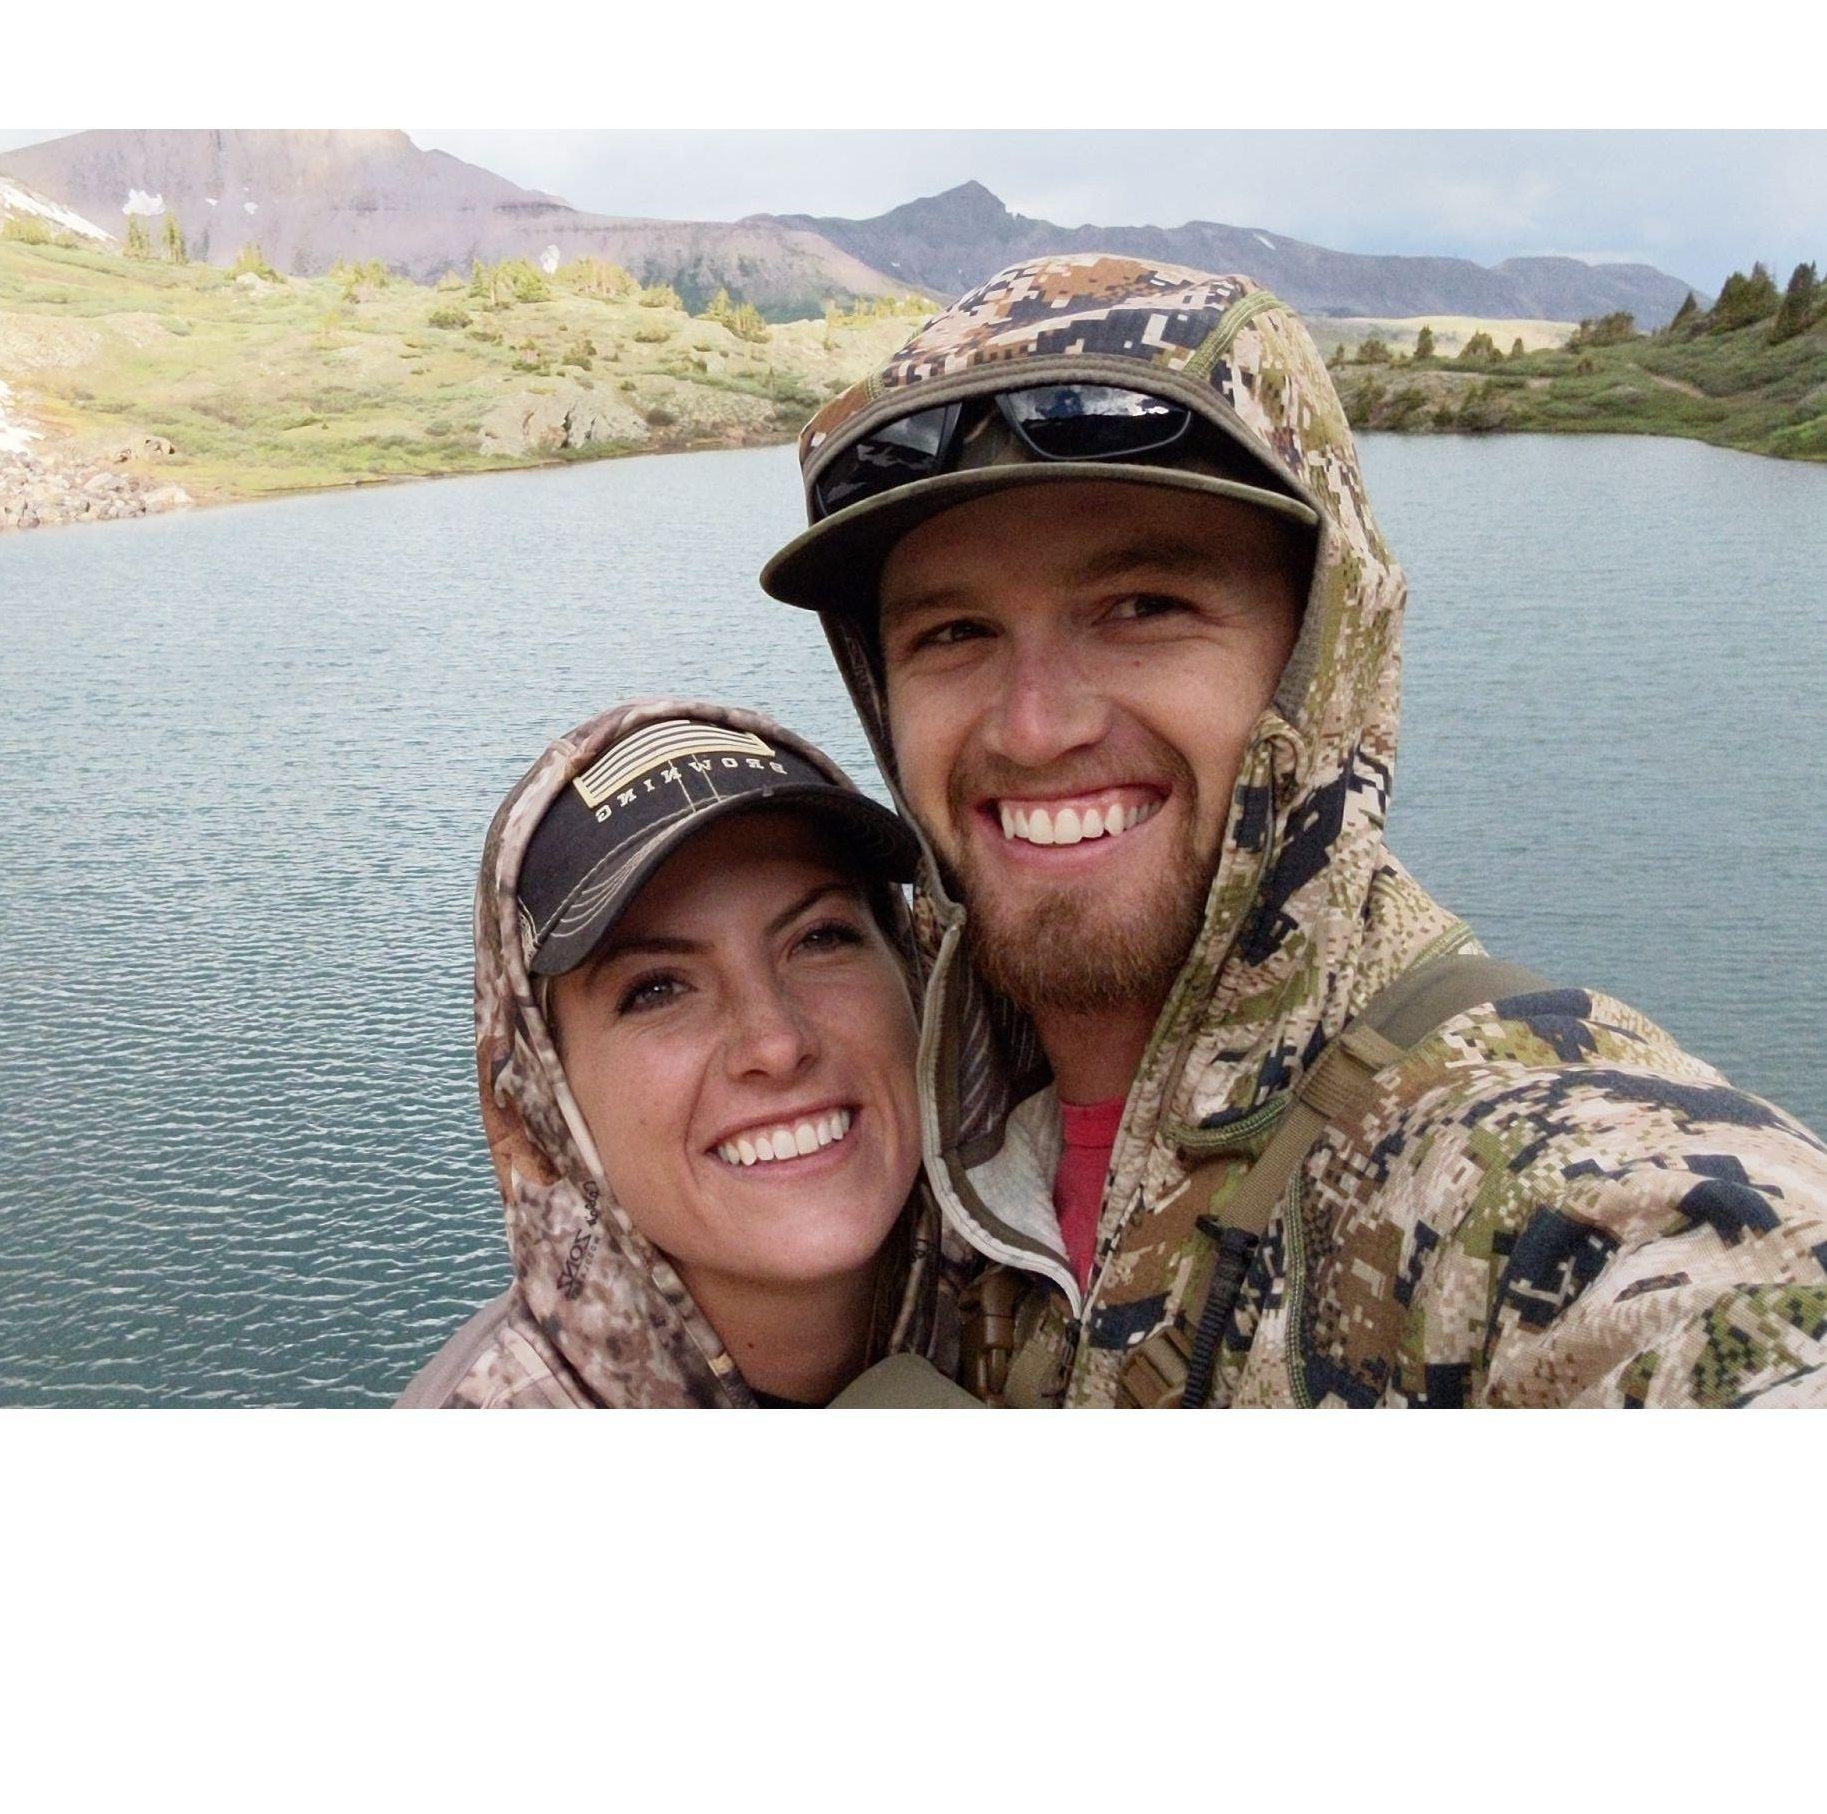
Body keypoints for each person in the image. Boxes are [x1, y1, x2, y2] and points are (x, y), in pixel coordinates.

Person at [762, 253, 1827, 1406]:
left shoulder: (1520, 1177)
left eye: (1141, 608)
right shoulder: (881, 1120)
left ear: (1321, 664)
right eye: (954, 632)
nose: (1031, 728)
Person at [400, 699, 974, 1407]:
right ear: (546, 1108)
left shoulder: (1065, 1299)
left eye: (820, 939)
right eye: (657, 989)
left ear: (912, 976)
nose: (777, 1043)